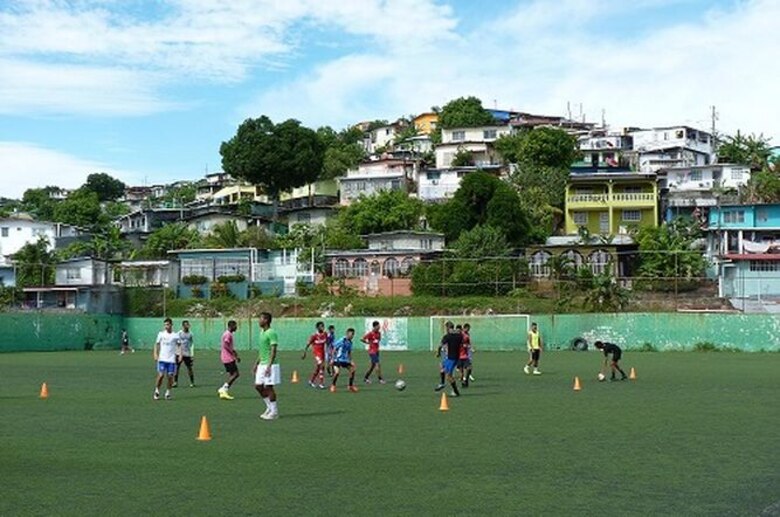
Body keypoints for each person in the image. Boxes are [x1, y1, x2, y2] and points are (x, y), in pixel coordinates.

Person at [254, 312, 281, 420]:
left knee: (269, 387)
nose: (259, 321)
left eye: (260, 319)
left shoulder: (271, 333)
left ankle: (274, 412)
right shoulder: (261, 332)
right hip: (262, 364)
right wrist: (256, 363)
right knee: (258, 386)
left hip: (271, 364)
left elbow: (273, 350)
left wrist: (269, 366)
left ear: (266, 320)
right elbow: (262, 350)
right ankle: (269, 407)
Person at [153, 318, 181, 401]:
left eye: (168, 324)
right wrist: (155, 354)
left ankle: (168, 392)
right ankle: (157, 390)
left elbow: (179, 345)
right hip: (162, 359)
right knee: (161, 375)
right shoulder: (161, 334)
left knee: (170, 376)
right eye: (165, 325)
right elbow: (157, 344)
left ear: (171, 325)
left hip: (171, 359)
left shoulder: (175, 335)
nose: (166, 326)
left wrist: (180, 355)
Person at [437, 321, 463, 397]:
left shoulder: (447, 336)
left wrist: (438, 353)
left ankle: (456, 392)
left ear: (447, 328)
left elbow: (440, 346)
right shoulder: (459, 336)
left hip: (451, 358)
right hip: (456, 357)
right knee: (441, 365)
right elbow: (461, 343)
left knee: (449, 376)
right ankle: (442, 383)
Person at [330, 328, 358, 393]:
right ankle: (333, 385)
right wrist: (332, 359)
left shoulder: (350, 342)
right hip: (338, 359)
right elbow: (334, 349)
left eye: (353, 334)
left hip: (345, 360)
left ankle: (350, 386)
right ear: (347, 334)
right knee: (337, 372)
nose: (352, 336)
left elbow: (349, 352)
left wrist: (351, 361)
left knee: (352, 370)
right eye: (351, 334)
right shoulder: (342, 340)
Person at [217, 321, 240, 400]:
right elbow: (226, 344)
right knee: (236, 374)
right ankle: (223, 389)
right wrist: (234, 354)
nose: (236, 327)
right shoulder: (228, 334)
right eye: (235, 326)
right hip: (228, 358)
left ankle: (225, 392)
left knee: (231, 374)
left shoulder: (227, 333)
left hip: (226, 357)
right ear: (231, 326)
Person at [302, 321, 327, 389]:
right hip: (317, 353)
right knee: (322, 365)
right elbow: (308, 344)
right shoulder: (314, 336)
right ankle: (321, 383)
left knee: (318, 368)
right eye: (321, 326)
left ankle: (311, 381)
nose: (323, 327)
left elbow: (327, 342)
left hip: (322, 353)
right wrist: (304, 353)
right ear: (317, 327)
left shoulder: (325, 334)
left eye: (323, 326)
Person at [362, 320, 385, 384]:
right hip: (372, 351)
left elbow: (379, 339)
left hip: (377, 351)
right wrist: (368, 342)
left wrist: (376, 340)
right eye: (378, 326)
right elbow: (362, 338)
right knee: (378, 364)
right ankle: (380, 379)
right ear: (374, 327)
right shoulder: (370, 333)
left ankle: (366, 378)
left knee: (372, 366)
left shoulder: (379, 333)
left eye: (379, 326)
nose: (379, 327)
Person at [174, 320, 195, 388]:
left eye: (188, 325)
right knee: (177, 368)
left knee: (189, 368)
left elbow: (191, 344)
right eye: (186, 325)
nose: (187, 326)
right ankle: (175, 382)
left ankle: (192, 382)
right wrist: (178, 352)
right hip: (179, 353)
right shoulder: (179, 333)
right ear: (183, 326)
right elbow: (176, 342)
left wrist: (192, 354)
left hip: (187, 353)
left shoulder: (190, 334)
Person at [458, 323, 473, 387]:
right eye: (468, 328)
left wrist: (470, 347)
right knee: (461, 371)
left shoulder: (467, 336)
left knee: (469, 368)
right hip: (458, 355)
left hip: (465, 355)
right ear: (464, 328)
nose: (468, 330)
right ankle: (463, 382)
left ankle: (466, 380)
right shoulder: (459, 335)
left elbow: (468, 343)